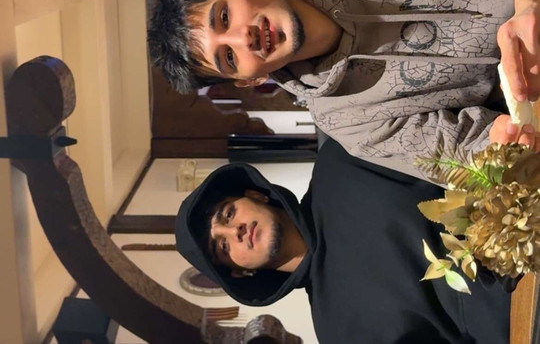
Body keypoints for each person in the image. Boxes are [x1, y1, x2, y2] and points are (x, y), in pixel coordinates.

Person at [148, 0, 540, 179]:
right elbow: (465, 158)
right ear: (249, 80)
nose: (243, 37)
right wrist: (499, 148)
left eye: (224, 17)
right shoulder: (348, 122)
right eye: (229, 57)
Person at [175, 138, 511, 344]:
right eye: (223, 247)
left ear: (255, 194)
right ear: (240, 272)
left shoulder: (342, 159)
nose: (234, 232)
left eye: (228, 214)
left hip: (522, 211)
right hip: (519, 324)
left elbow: (461, 150)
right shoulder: (337, 332)